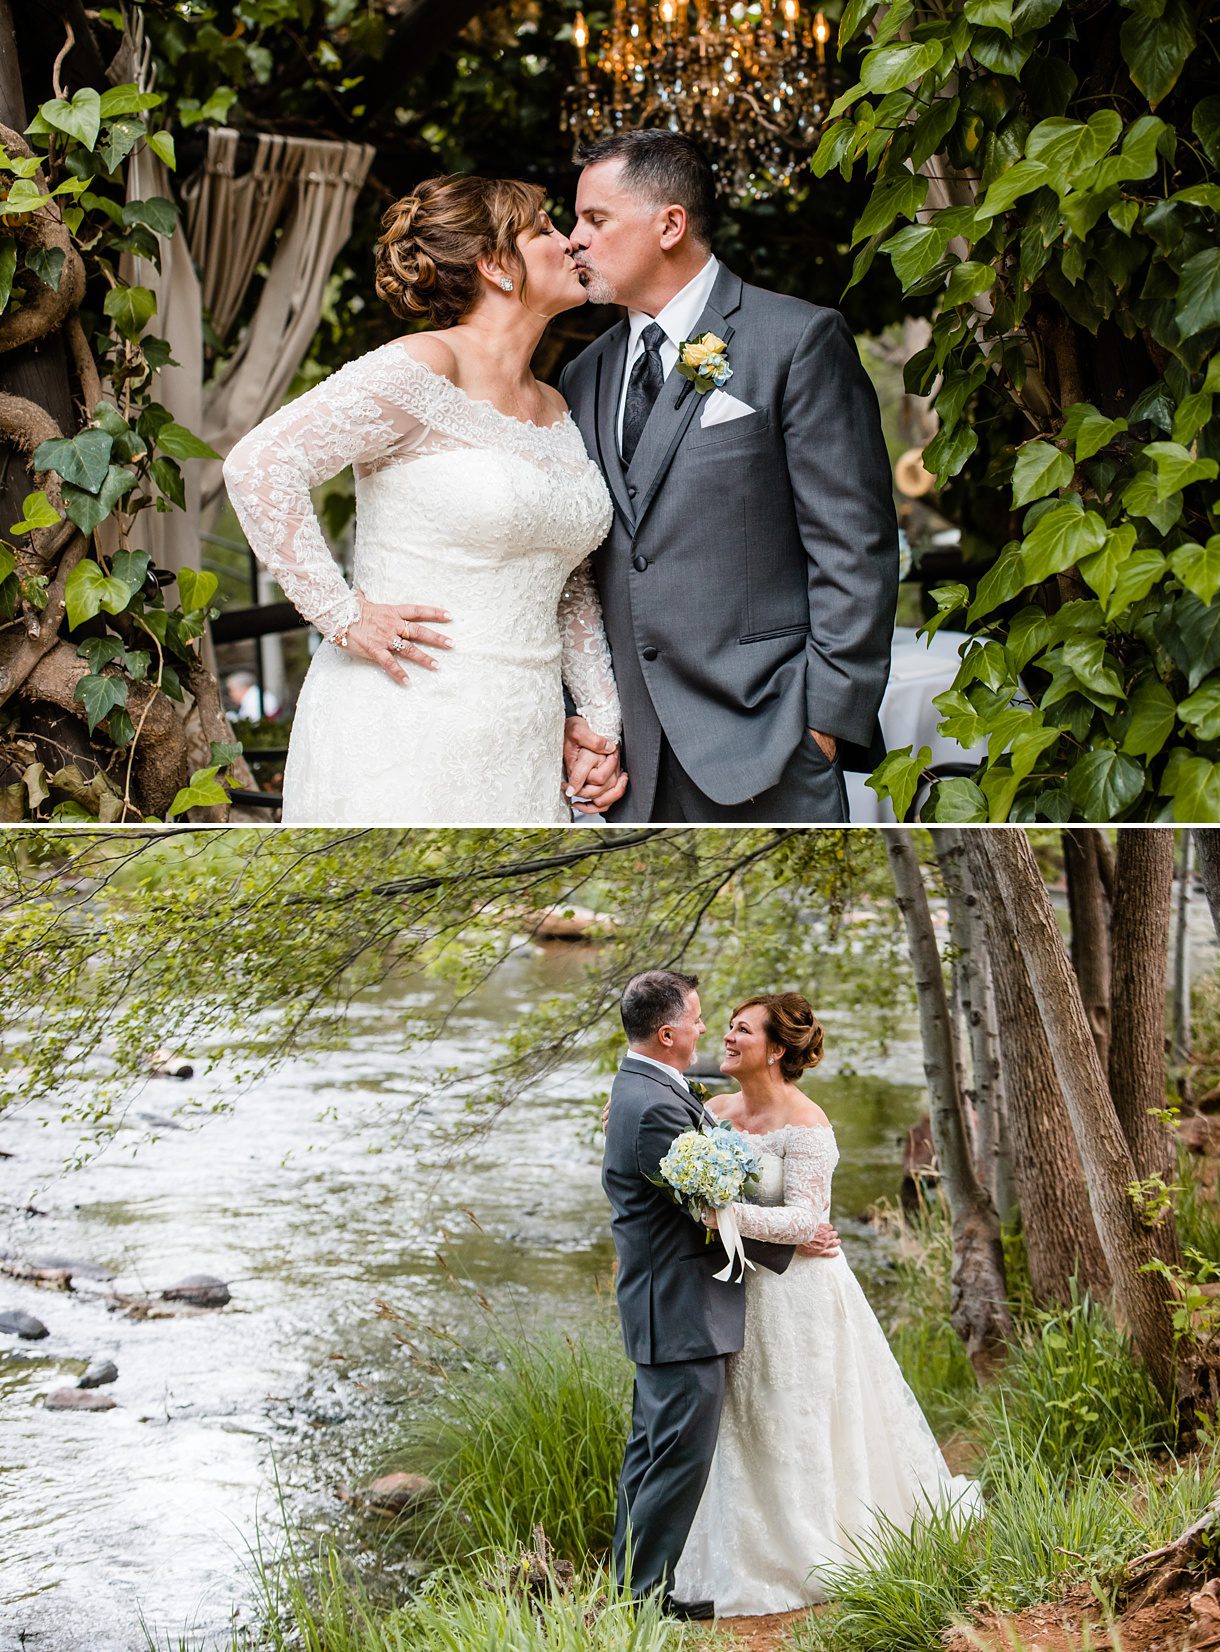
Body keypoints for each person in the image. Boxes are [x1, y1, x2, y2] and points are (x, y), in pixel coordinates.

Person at [223, 174, 628, 822]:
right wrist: (341, 614)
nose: (569, 241)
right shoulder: (422, 367)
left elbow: (568, 579)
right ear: (495, 264)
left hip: (524, 735)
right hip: (404, 722)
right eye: (545, 229)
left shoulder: (554, 404)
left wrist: (600, 723)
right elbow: (259, 465)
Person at [559, 131, 898, 823]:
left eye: (595, 220)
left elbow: (854, 547)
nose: (573, 240)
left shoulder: (796, 340)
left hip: (769, 738)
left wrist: (823, 726)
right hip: (632, 762)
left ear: (670, 225)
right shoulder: (582, 374)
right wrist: (587, 718)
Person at [671, 992, 980, 1616]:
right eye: (726, 1027)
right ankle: (736, 1550)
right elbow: (690, 1185)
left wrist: (722, 1213)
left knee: (793, 1412)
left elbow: (807, 1220)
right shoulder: (714, 1112)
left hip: (798, 1296)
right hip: (732, 1290)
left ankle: (808, 1546)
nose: (727, 1038)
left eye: (741, 1030)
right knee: (741, 1415)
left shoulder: (807, 1124)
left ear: (777, 1050)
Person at [599, 970, 839, 1618]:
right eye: (706, 1019)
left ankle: (632, 1589)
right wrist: (792, 1239)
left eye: (736, 1026)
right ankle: (640, 1602)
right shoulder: (655, 1104)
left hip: (704, 1301)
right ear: (670, 1031)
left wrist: (795, 1234)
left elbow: (710, 1193)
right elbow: (702, 1209)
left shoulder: (655, 1094)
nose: (713, 1031)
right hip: (681, 1306)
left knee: (656, 1451)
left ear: (777, 1049)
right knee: (669, 1456)